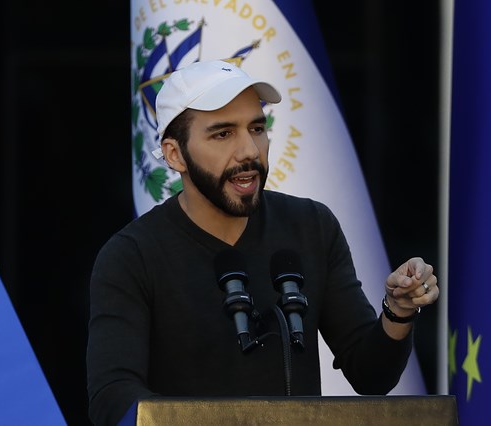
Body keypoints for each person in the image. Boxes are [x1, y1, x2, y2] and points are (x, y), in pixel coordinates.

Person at [86, 59, 439, 426]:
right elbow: (112, 398)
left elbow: (371, 375)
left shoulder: (311, 226)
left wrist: (398, 310)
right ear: (175, 155)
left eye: (257, 128)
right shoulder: (131, 255)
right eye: (223, 134)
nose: (250, 151)